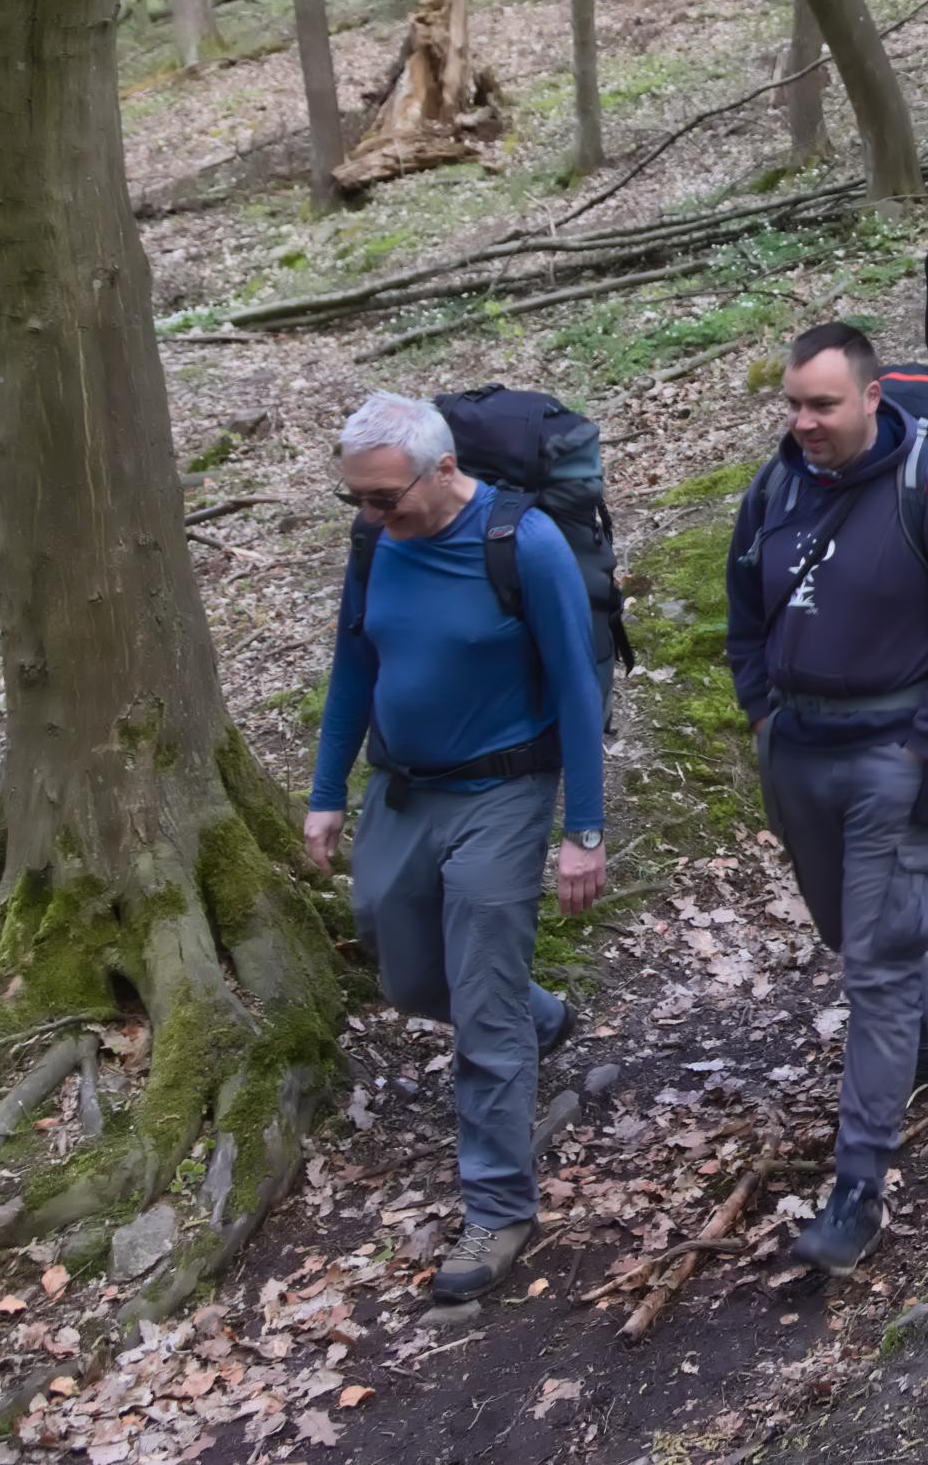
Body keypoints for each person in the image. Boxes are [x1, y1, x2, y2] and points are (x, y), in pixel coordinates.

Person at [305, 391, 609, 1306]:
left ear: (444, 470)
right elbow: (354, 664)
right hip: (402, 789)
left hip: (502, 795)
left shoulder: (524, 544)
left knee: (480, 1007)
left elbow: (578, 687)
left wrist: (583, 831)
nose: (371, 515)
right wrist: (326, 793)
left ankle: (499, 1210)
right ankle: (537, 1017)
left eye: (385, 497)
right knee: (404, 973)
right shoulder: (374, 544)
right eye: (357, 498)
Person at [724, 320, 928, 1273]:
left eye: (824, 404)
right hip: (797, 752)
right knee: (853, 937)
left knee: (876, 966)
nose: (805, 422)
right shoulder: (772, 490)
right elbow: (743, 613)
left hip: (892, 752)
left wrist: (925, 746)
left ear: (871, 397)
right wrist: (762, 715)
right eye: (794, 405)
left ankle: (859, 1189)